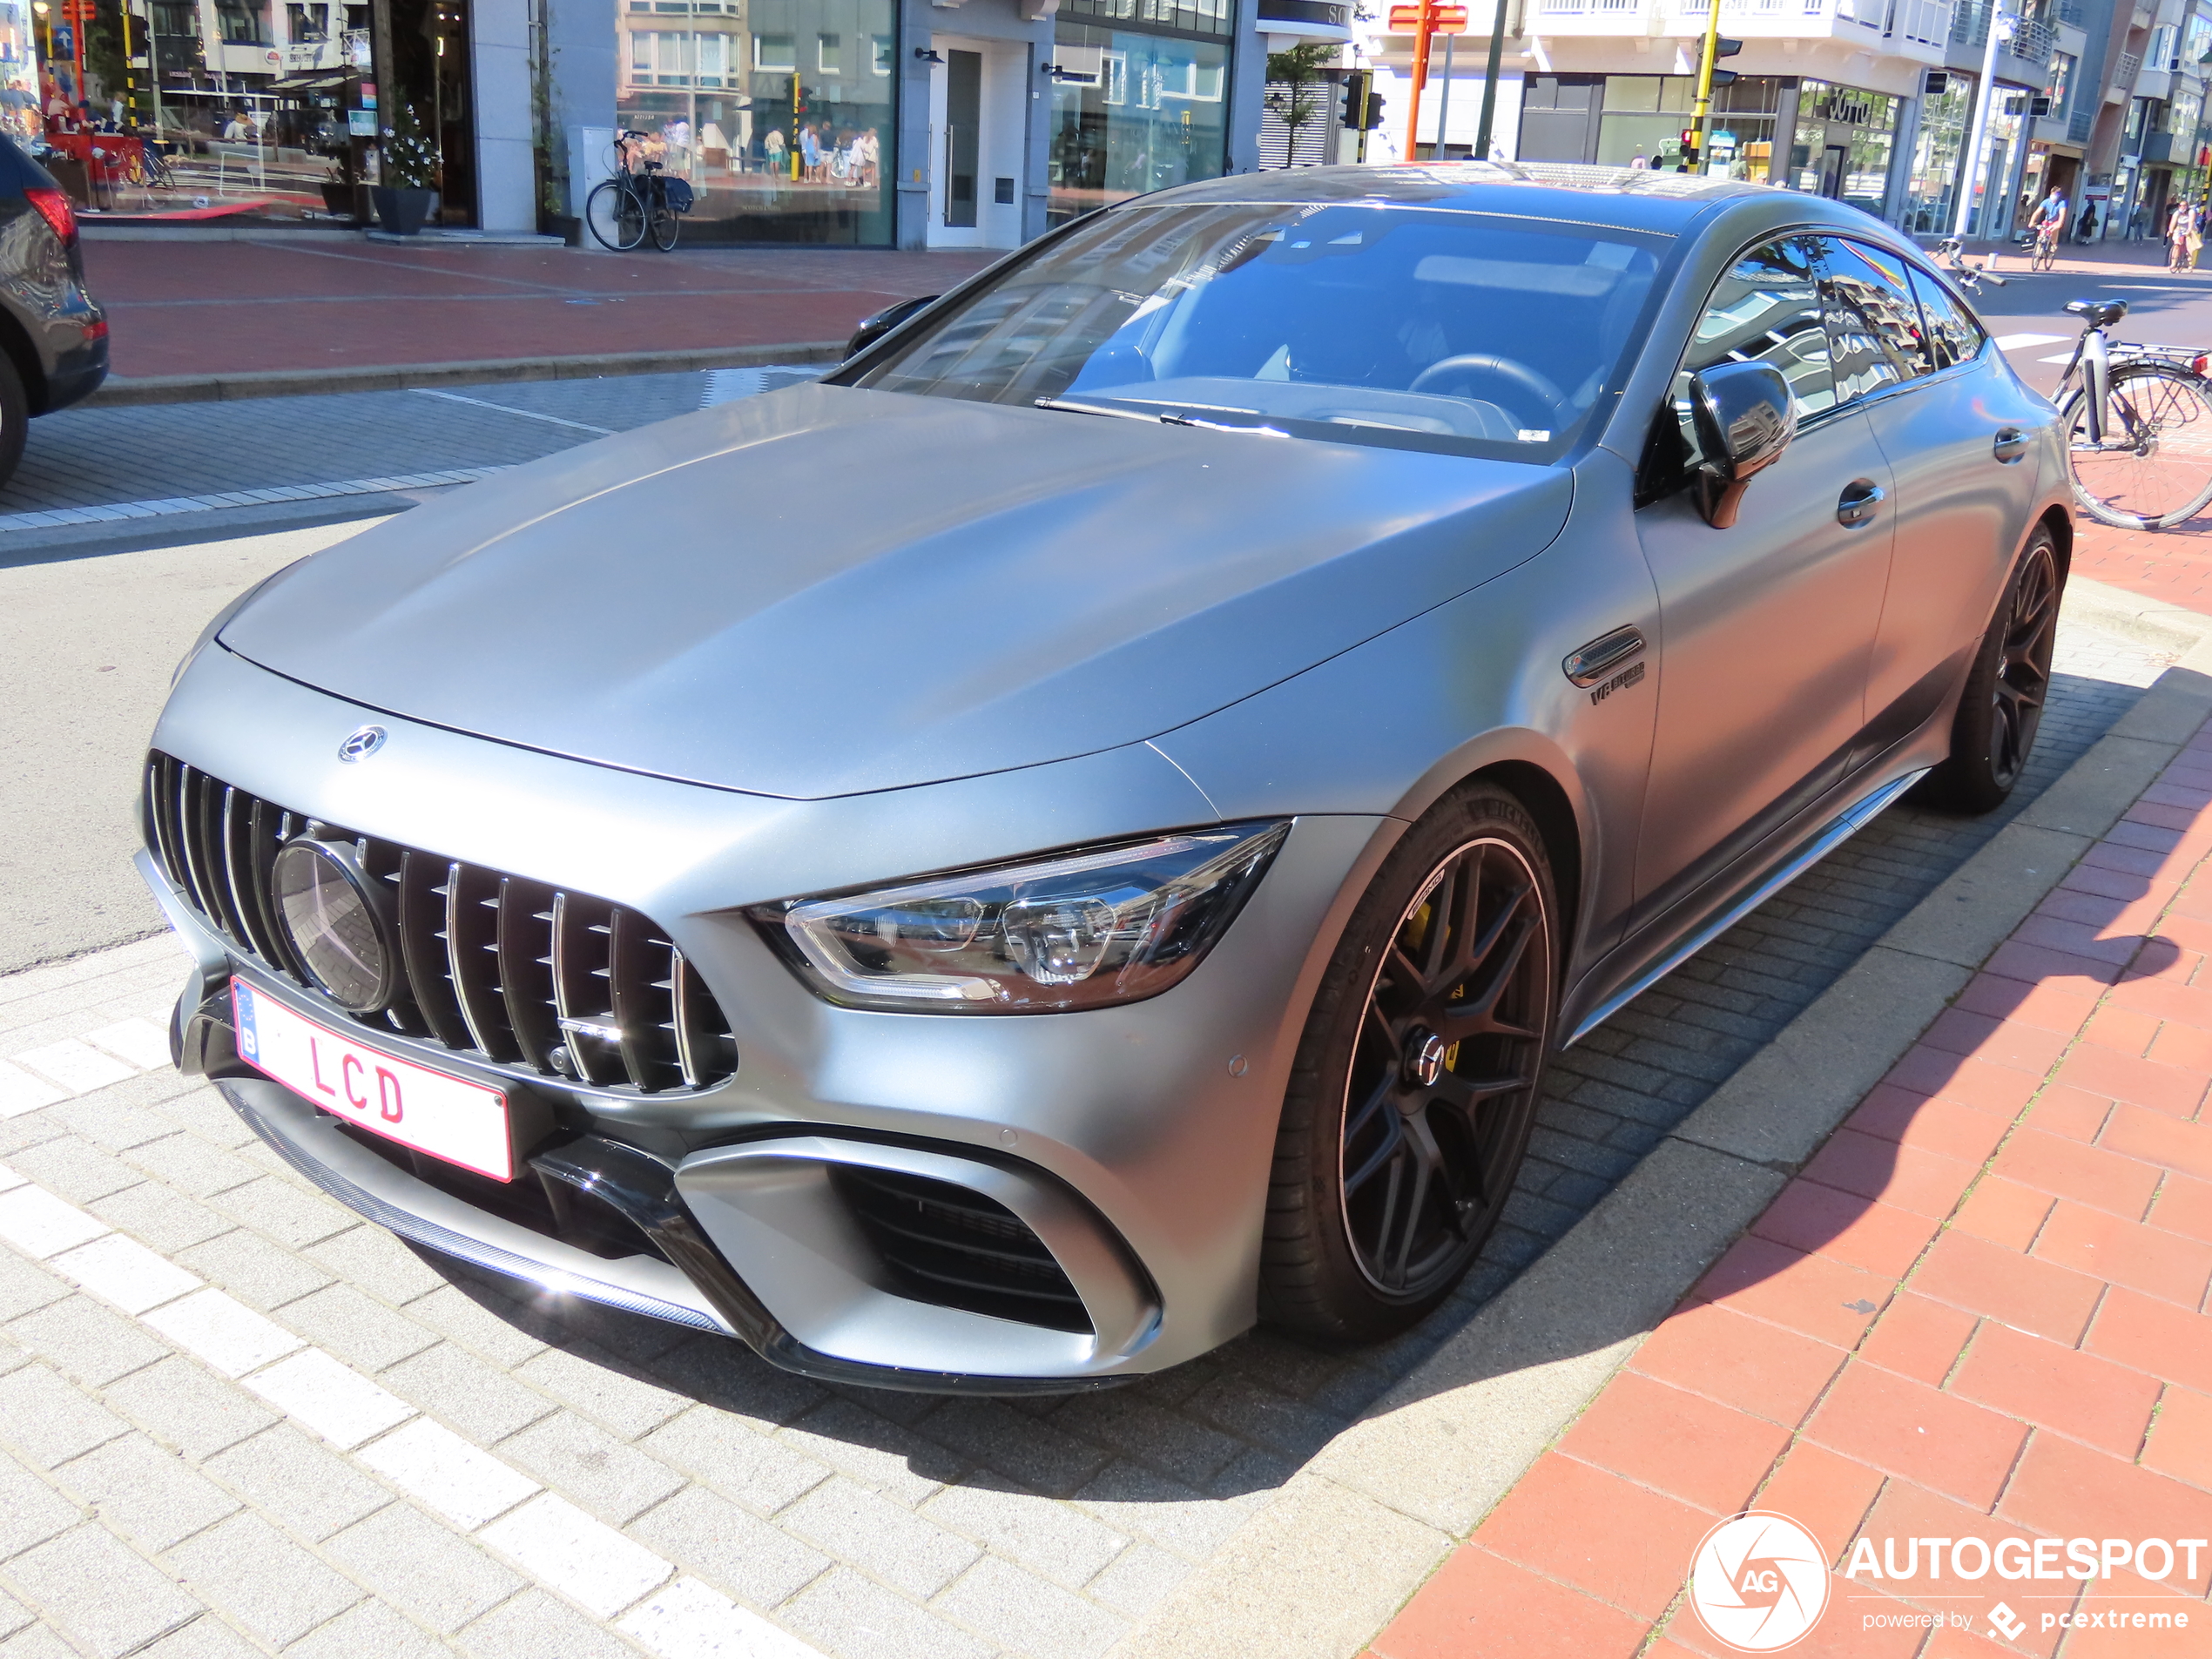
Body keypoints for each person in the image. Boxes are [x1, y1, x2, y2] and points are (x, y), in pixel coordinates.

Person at [2028, 186, 2067, 264]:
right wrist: (2032, 222)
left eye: (2055, 195)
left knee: (2053, 233)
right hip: (2047, 221)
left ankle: (2053, 246)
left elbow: (2062, 215)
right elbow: (2037, 212)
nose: (2053, 197)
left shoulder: (2062, 203)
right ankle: (2038, 254)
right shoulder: (2046, 202)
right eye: (2052, 194)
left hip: (2055, 221)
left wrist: (2058, 225)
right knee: (2041, 236)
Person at [2170, 197, 2197, 272]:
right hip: (2179, 229)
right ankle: (2173, 263)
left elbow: (2191, 222)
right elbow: (2173, 222)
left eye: (2184, 205)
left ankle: (2190, 265)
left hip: (2189, 228)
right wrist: (2170, 230)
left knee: (2189, 247)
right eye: (2181, 206)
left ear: (2187, 206)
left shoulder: (2191, 212)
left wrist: (2189, 231)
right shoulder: (2177, 213)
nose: (2182, 207)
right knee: (2177, 245)